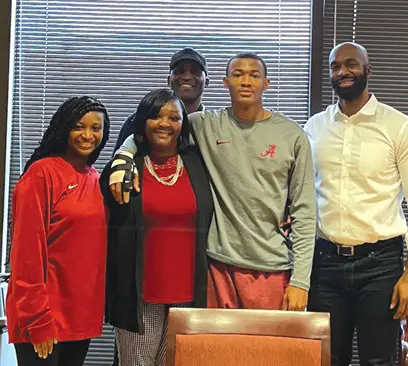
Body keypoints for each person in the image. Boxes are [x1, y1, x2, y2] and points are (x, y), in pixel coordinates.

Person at [110, 53, 316, 312]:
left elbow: (305, 212)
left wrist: (301, 281)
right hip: (217, 267)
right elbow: (151, 131)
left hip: (272, 267)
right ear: (224, 82)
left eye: (254, 75)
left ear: (266, 83)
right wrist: (123, 158)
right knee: (215, 351)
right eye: (238, 74)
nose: (245, 81)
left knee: (267, 351)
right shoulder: (204, 125)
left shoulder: (292, 135)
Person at [305, 42, 408, 365]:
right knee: (326, 359)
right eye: (335, 66)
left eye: (350, 64)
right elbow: (300, 196)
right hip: (324, 266)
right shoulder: (314, 128)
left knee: (378, 360)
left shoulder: (398, 127)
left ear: (367, 70)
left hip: (380, 266)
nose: (342, 72)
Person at [100, 89, 214, 366]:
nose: (165, 123)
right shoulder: (123, 168)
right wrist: (125, 152)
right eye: (155, 116)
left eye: (174, 117)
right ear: (143, 122)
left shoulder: (200, 164)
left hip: (189, 293)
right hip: (139, 294)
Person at [6, 96, 110, 366]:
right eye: (79, 127)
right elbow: (26, 253)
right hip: (44, 317)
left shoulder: (94, 177)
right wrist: (36, 318)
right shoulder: (41, 174)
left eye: (95, 128)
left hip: (80, 316)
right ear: (64, 128)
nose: (88, 135)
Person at [113, 47, 209, 152]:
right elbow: (117, 164)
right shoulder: (139, 121)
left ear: (207, 82)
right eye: (179, 71)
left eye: (195, 72)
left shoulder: (213, 126)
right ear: (169, 80)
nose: (186, 77)